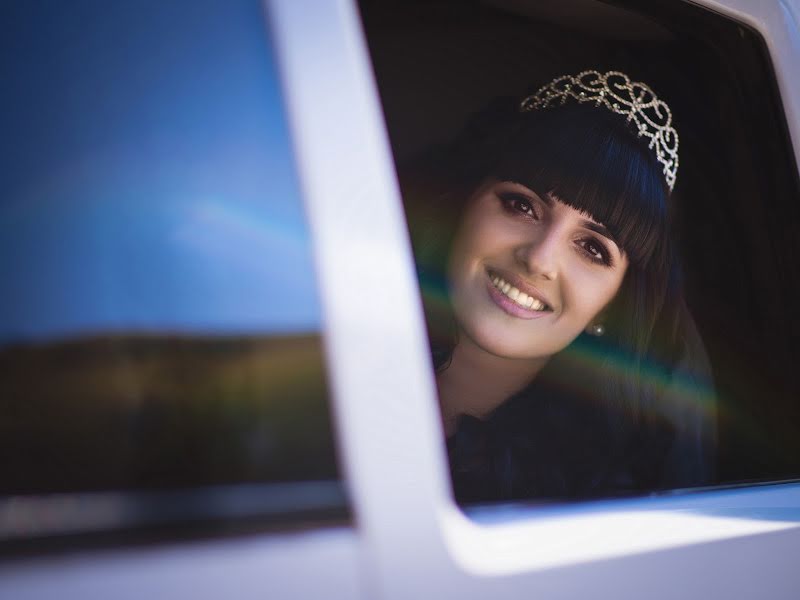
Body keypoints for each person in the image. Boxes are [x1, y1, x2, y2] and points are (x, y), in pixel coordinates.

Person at [400, 70, 717, 503]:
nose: (540, 259)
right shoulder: (315, 343)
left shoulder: (606, 509)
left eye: (592, 248)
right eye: (520, 205)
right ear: (464, 207)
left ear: (611, 306)